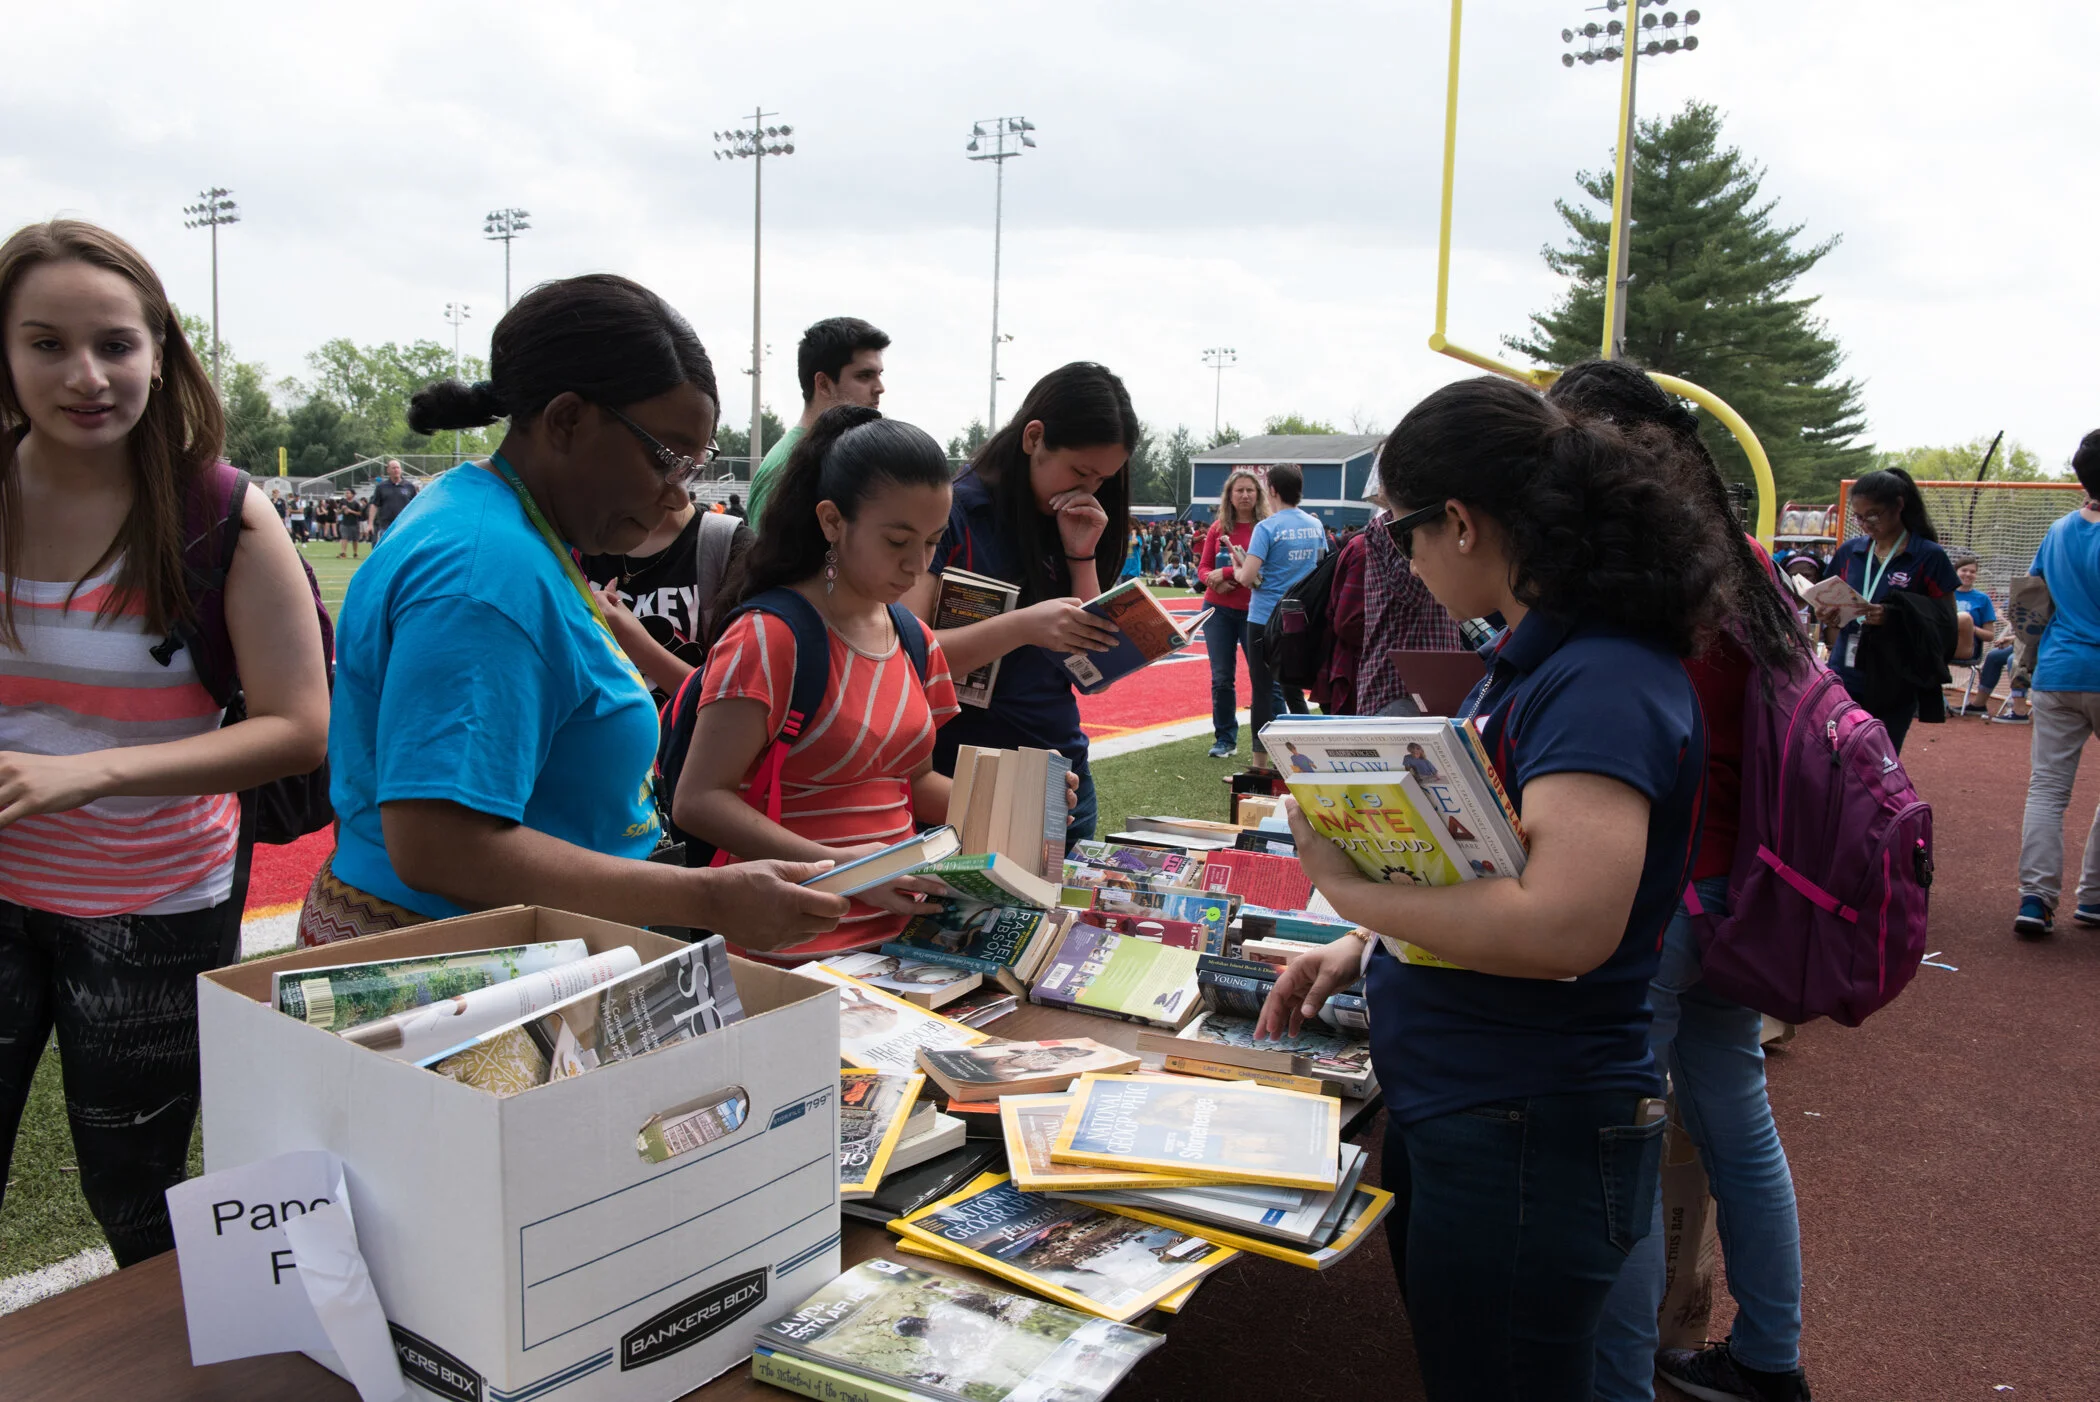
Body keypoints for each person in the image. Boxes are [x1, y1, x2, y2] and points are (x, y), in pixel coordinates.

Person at [1256, 375, 1736, 1402]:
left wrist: (1354, 897)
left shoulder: (1601, 678)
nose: (1403, 557)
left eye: (1402, 532)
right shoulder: (1553, 660)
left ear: (1462, 522)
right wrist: (1364, 949)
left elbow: (1565, 922)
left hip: (1524, 1119)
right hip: (1491, 1105)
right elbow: (1496, 868)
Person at [300, 273, 847, 949]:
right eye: (666, 460)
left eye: (693, 467)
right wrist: (707, 897)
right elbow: (440, 846)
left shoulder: (494, 525)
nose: (680, 499)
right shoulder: (486, 574)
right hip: (452, 967)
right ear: (565, 421)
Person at [0, 219, 330, 1265]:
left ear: (161, 352)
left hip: (153, 908)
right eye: (46, 342)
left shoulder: (222, 514)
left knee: (138, 1199)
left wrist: (91, 773)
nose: (86, 374)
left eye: (116, 343)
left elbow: (298, 727)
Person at [1546, 360, 1814, 1402]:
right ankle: (1770, 1355)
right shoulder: (1742, 557)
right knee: (1736, 1119)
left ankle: (1624, 1381)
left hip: (1666, 893)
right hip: (1741, 885)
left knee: (1619, 1144)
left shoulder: (1639, 570)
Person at [673, 407, 961, 959]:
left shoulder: (915, 640)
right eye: (897, 541)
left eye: (932, 542)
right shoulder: (770, 638)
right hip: (790, 943)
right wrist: (848, 870)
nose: (917, 565)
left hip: (906, 946)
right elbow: (698, 799)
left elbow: (911, 782)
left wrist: (1023, 800)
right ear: (832, 521)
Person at [907, 362, 1133, 844]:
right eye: (1080, 471)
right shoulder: (954, 513)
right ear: (1034, 438)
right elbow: (908, 654)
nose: (1087, 489)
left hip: (1063, 775)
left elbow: (1091, 669)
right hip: (960, 777)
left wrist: (1082, 554)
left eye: (1102, 479)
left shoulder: (1073, 520)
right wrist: (1022, 627)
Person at [2012, 430, 2100, 940]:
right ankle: (2094, 896)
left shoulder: (2060, 529)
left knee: (2047, 789)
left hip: (2059, 672)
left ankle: (2036, 897)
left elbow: (2032, 601)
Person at [581, 452, 751, 706]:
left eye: (690, 464)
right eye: (660, 453)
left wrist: (635, 643)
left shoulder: (729, 547)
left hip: (682, 743)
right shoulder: (574, 541)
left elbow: (735, 707)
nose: (680, 490)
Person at [1817, 468, 1957, 752]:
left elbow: (1945, 621)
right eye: (1859, 516)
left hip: (1894, 677)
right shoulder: (1851, 551)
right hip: (1845, 670)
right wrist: (1827, 613)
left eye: (1873, 514)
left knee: (1880, 760)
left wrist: (1893, 615)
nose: (1865, 523)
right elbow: (1830, 601)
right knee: (1833, 754)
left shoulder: (1928, 555)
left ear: (1899, 505)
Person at [747, 316, 888, 528]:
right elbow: (769, 559)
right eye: (864, 376)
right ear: (823, 383)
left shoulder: (855, 454)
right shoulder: (783, 469)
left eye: (879, 374)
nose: (880, 387)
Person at [1233, 462, 1326, 765]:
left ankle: (1260, 765)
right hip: (1299, 618)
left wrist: (1237, 567)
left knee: (1262, 691)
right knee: (1294, 691)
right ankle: (1310, 755)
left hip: (1264, 618)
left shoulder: (1267, 527)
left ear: (1271, 490)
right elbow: (1321, 566)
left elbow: (1247, 578)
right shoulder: (1315, 525)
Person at [1198, 469, 1268, 757]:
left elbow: (1263, 570)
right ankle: (1225, 738)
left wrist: (1225, 571)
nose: (1244, 495)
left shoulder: (1266, 527)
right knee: (1222, 678)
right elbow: (1202, 569)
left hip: (1254, 613)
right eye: (1238, 490)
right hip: (1218, 611)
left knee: (1262, 679)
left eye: (1250, 490)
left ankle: (1265, 742)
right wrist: (1213, 580)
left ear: (1259, 494)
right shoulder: (1217, 528)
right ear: (1229, 495)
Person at [367, 458, 419, 543]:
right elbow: (374, 505)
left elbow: (416, 505)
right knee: (386, 550)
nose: (396, 470)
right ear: (388, 470)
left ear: (401, 470)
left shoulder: (409, 486)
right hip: (386, 526)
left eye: (398, 467)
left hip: (404, 525)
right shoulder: (381, 487)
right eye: (393, 468)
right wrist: (370, 523)